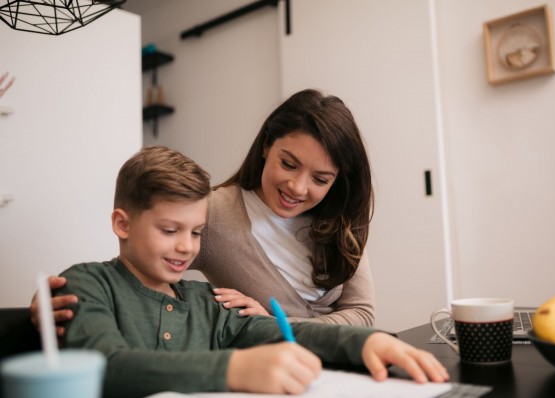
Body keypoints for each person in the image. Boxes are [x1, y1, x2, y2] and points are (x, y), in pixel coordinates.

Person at [53, 145, 448, 397]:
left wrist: (364, 343)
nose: (186, 247)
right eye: (169, 230)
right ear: (123, 224)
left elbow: (276, 331)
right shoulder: (87, 284)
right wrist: (235, 368)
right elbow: (105, 366)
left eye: (197, 232)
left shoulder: (208, 302)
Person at [33, 89, 376, 332]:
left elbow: (361, 314)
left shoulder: (341, 219)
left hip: (344, 366)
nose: (298, 188)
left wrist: (276, 325)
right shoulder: (213, 214)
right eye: (288, 164)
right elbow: (133, 271)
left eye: (320, 178)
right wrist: (64, 295)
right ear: (267, 144)